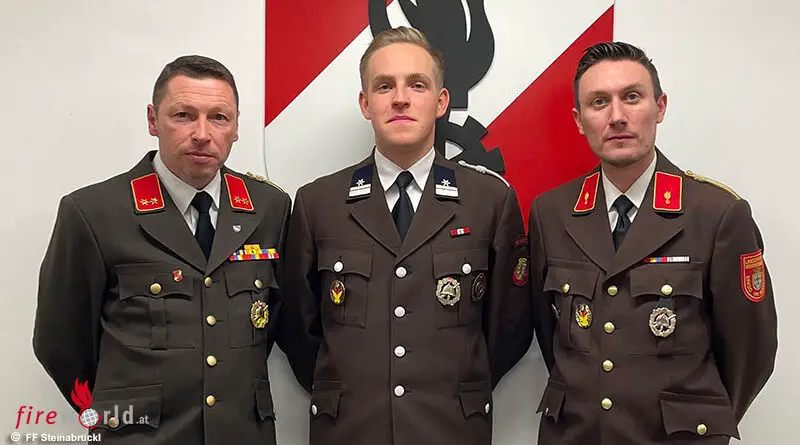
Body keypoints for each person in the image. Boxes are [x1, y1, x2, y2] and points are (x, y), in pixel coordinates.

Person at [279, 26, 533, 445]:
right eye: (384, 86)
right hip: (350, 429)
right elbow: (296, 328)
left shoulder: (489, 200)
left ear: (441, 101)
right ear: (366, 103)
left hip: (450, 428)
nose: (400, 98)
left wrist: (460, 387)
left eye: (417, 84)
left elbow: (510, 327)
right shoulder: (317, 203)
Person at [32, 55, 291, 444]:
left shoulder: (268, 208)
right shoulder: (94, 213)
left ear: (236, 126)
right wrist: (115, 413)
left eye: (219, 118)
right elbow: (60, 343)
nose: (202, 133)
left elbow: (272, 324)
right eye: (183, 115)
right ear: (153, 120)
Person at [528, 41, 778, 444]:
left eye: (632, 97)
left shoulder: (717, 214)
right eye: (598, 102)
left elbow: (751, 349)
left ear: (660, 106)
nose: (617, 116)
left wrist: (702, 422)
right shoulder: (551, 214)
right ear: (579, 120)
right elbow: (549, 333)